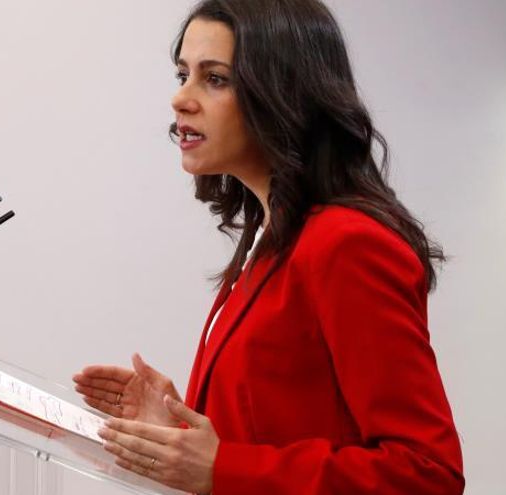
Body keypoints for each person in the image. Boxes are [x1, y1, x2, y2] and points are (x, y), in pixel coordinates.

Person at [72, 1, 464, 493]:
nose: (181, 100)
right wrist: (174, 429)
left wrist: (222, 469)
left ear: (284, 92)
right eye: (182, 75)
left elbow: (427, 474)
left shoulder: (348, 243)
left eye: (215, 79)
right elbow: (271, 432)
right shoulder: (270, 240)